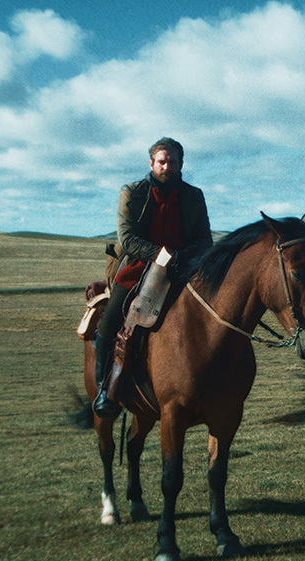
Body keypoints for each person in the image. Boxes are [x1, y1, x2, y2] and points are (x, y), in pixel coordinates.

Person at [92, 137, 213, 417]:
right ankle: (104, 389)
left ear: (181, 164)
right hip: (141, 266)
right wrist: (160, 253)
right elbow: (128, 239)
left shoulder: (194, 195)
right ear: (151, 163)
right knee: (109, 324)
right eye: (162, 161)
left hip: (185, 266)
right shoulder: (132, 192)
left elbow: (204, 238)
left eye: (172, 161)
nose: (166, 166)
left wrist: (183, 256)